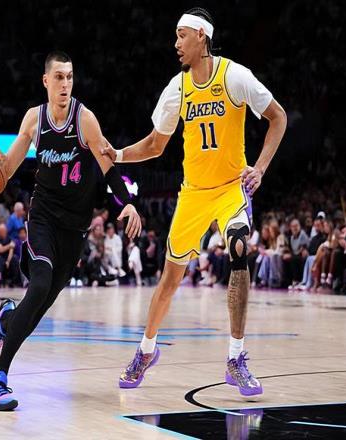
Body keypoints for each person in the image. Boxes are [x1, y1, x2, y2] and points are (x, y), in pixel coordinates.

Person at [102, 8, 286, 396]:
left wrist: (260, 168)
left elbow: (278, 117)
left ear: (201, 36)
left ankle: (236, 358)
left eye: (181, 35)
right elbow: (155, 145)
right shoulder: (178, 88)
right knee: (169, 280)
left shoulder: (234, 76)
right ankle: (146, 350)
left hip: (231, 189)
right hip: (193, 194)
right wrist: (116, 154)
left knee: (239, 247)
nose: (176, 43)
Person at [0, 50, 141, 411]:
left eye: (70, 77)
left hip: (74, 229)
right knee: (40, 285)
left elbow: (108, 167)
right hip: (43, 218)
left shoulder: (85, 119)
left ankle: (8, 318)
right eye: (59, 77)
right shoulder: (35, 119)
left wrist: (127, 202)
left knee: (37, 309)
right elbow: (5, 168)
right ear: (46, 81)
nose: (65, 84)